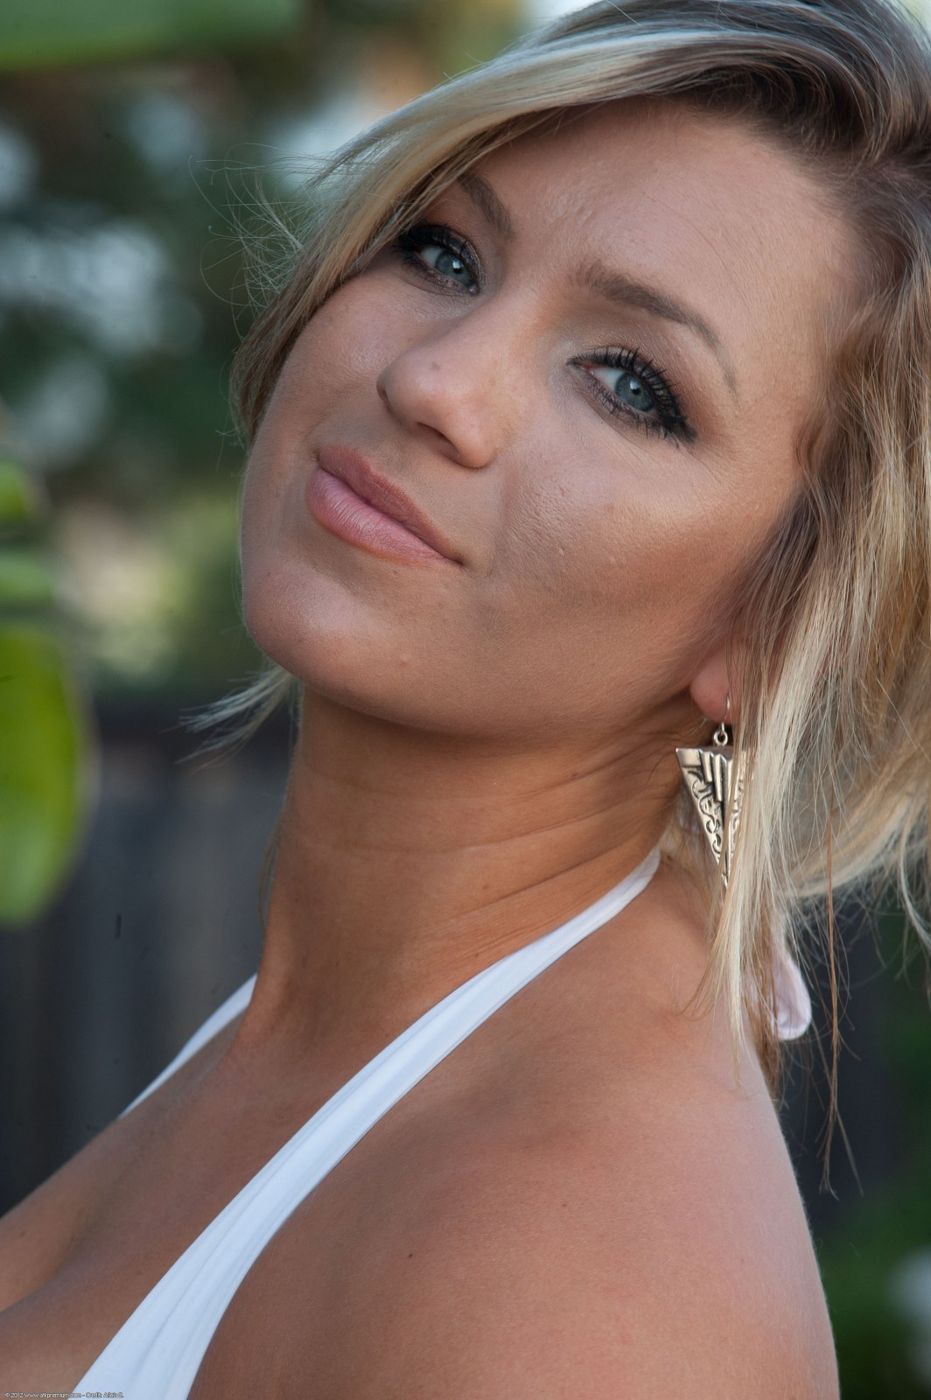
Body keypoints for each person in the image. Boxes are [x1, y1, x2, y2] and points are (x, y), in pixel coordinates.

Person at [2, 0, 930, 1394]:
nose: (432, 379)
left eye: (631, 384)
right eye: (443, 253)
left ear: (778, 621)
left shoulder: (587, 1289)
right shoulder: (328, 1032)